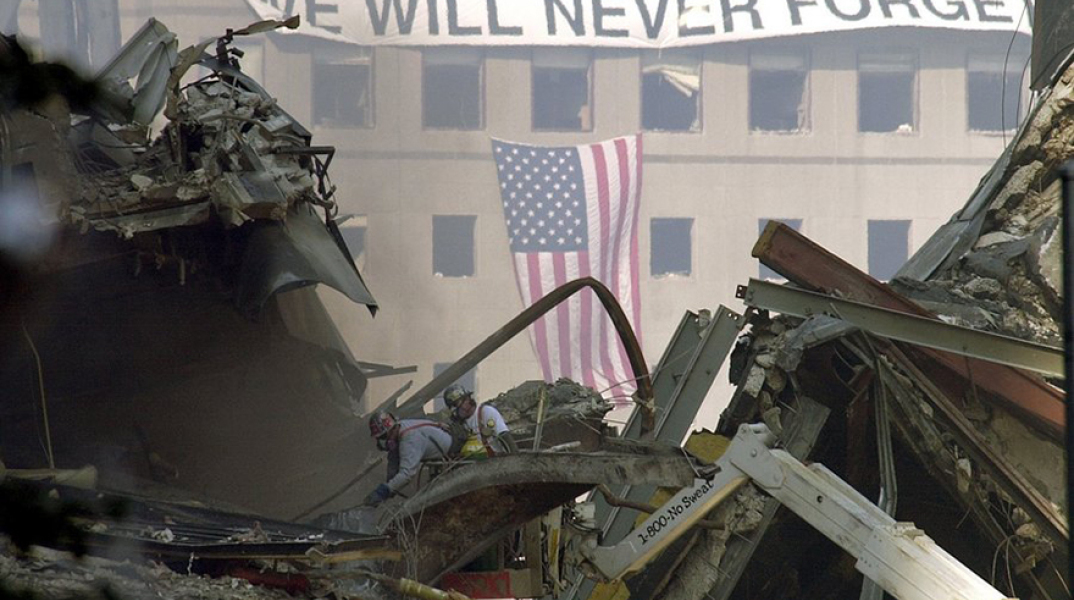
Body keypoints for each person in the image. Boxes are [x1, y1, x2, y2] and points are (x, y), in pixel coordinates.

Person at [363, 411, 454, 506]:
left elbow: (407, 474)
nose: (383, 441)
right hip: (438, 454)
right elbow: (393, 462)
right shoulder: (400, 429)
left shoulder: (409, 439)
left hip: (449, 454)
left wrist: (383, 491)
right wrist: (389, 487)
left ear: (392, 429)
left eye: (383, 437)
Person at [443, 384, 518, 457]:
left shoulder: (486, 412)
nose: (455, 411)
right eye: (453, 407)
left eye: (456, 405)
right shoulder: (462, 423)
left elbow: (504, 435)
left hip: (496, 460)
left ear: (467, 400)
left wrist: (515, 458)